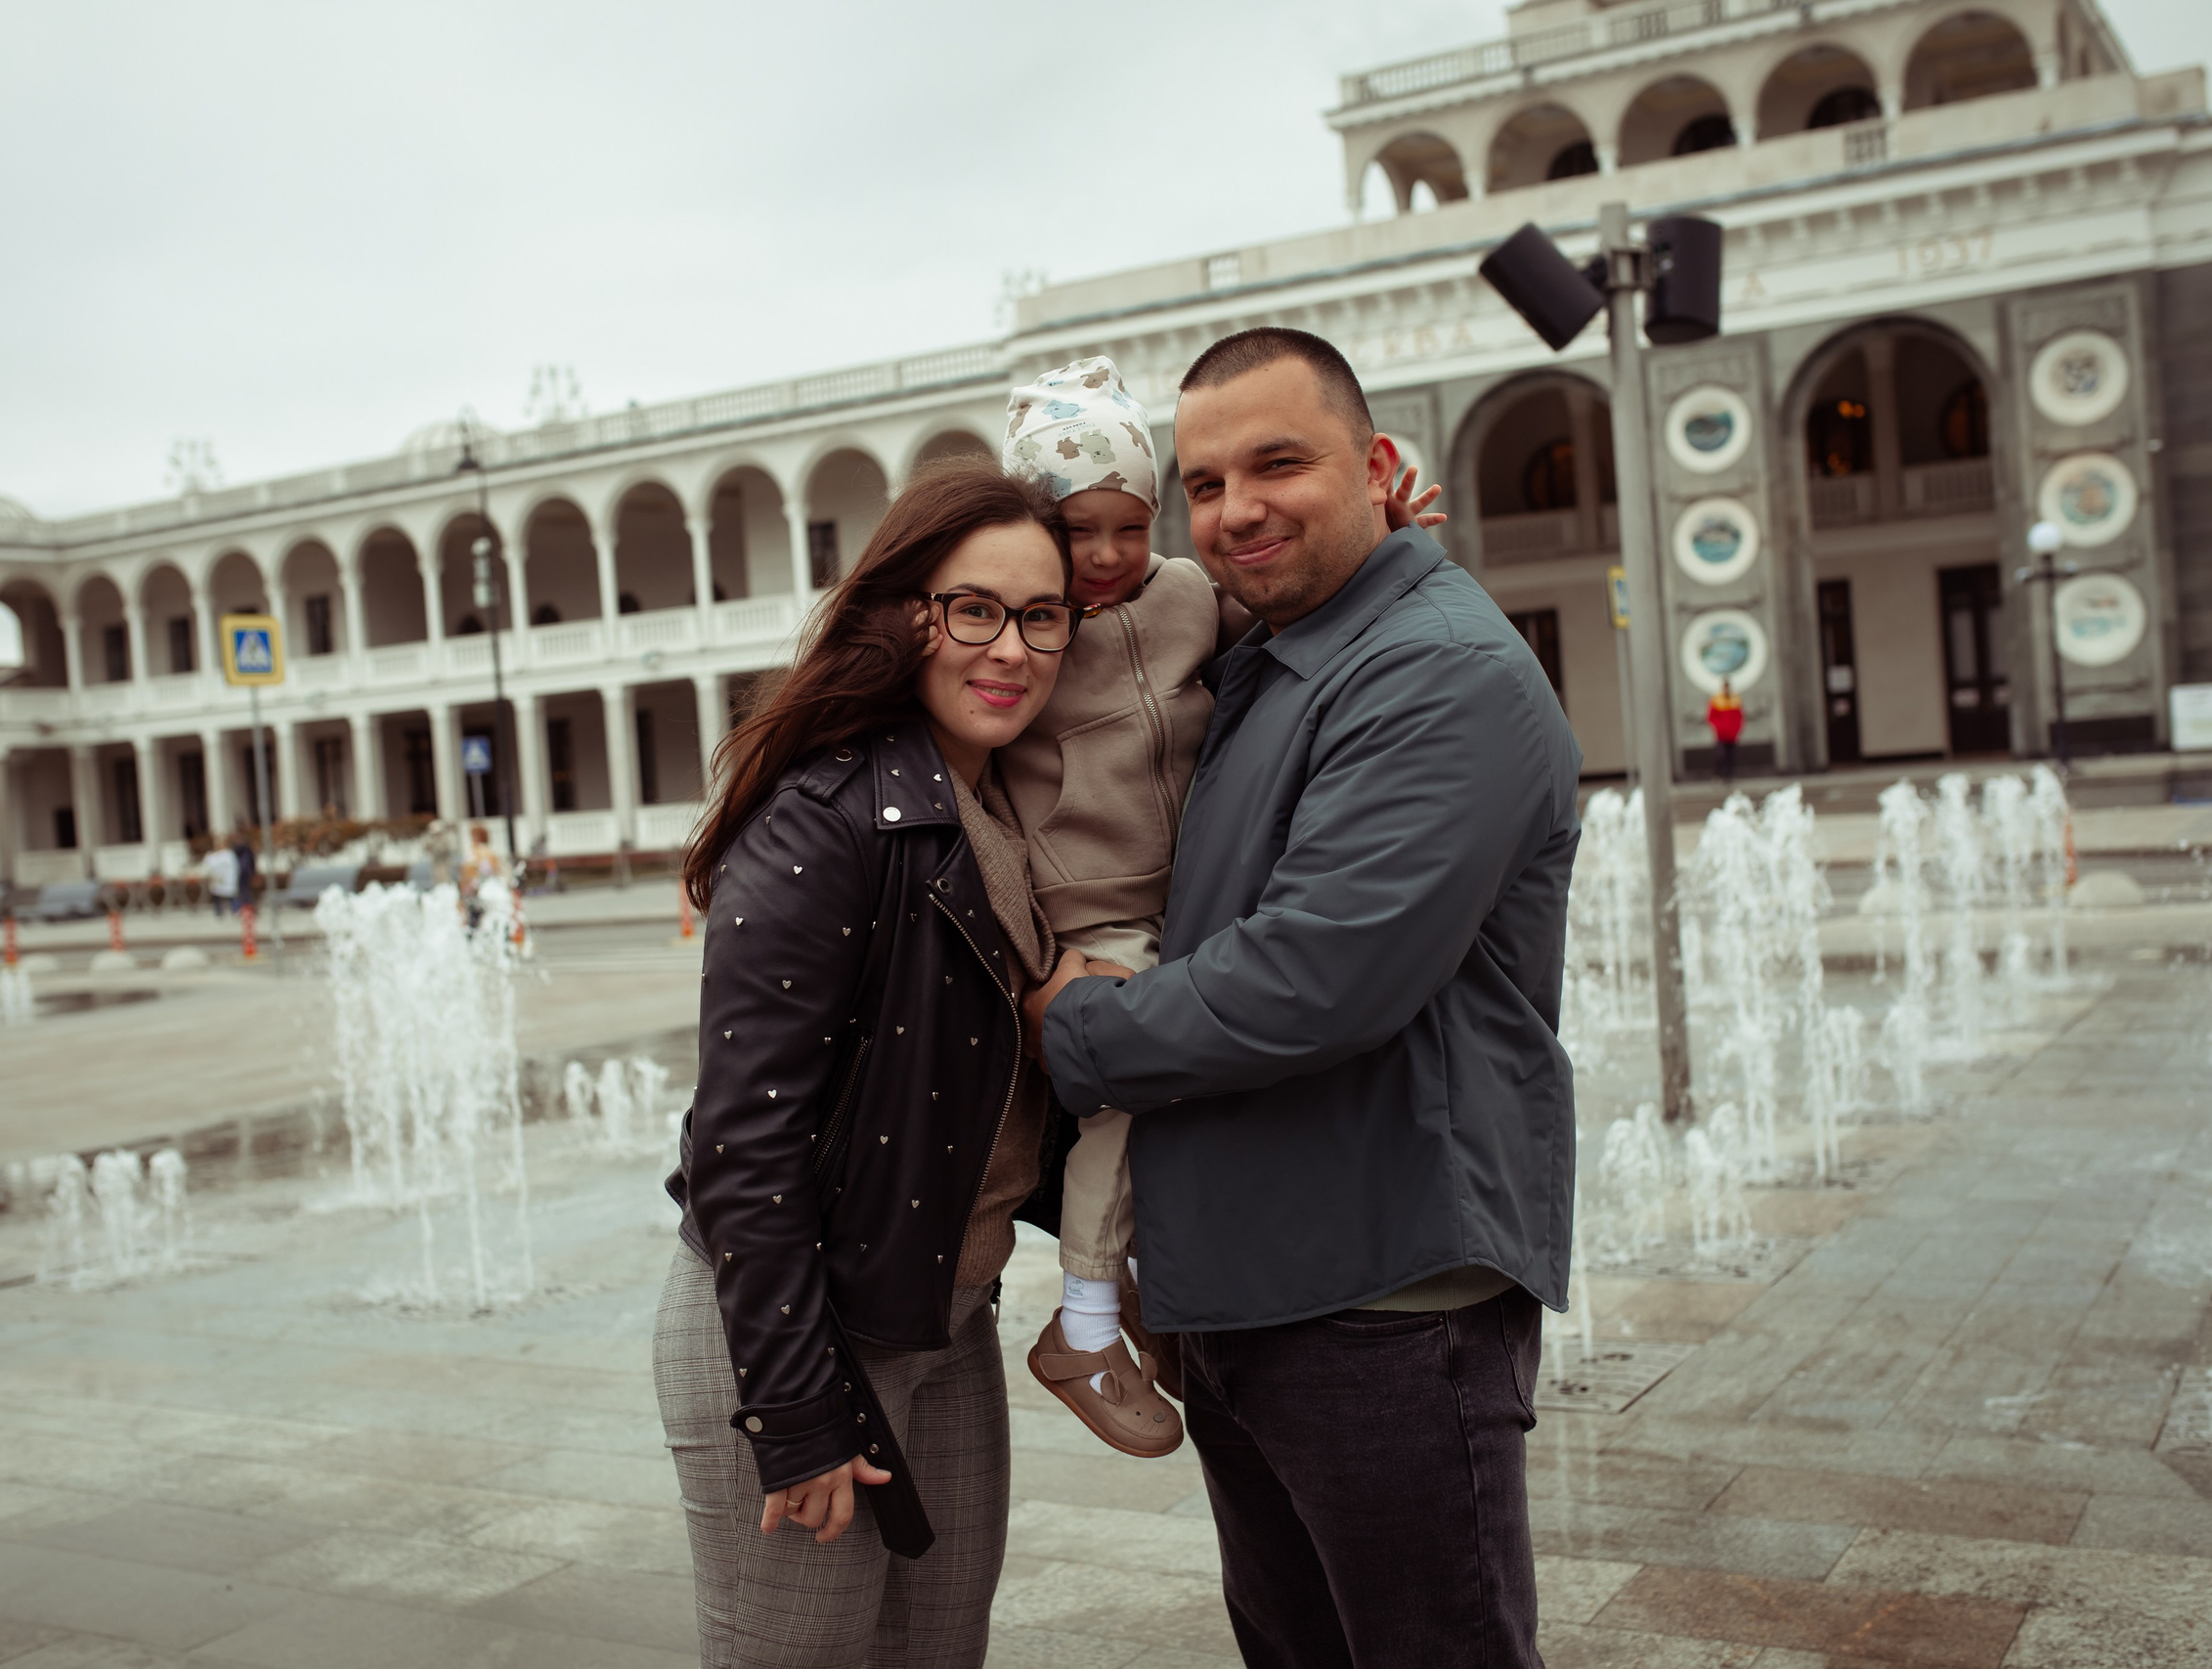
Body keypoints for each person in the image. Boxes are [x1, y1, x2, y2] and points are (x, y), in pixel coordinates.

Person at [1025, 327, 1582, 1668]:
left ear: (1382, 468)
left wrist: (1069, 1030)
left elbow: (1315, 979)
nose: (1236, 509)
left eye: (1280, 463)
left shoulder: (1435, 667)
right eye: (1205, 483)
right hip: (1257, 1290)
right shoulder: (1281, 650)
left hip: (1379, 1300)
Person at [655, 457, 1081, 1667]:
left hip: (944, 1320)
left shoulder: (991, 799)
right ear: (907, 615)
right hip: (795, 1336)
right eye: (974, 609)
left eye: (1039, 615)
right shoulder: (826, 815)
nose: (1010, 648)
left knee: (941, 1653)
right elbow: (743, 1140)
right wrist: (793, 1410)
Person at [1000, 355, 1441, 1458]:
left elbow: (1312, 617)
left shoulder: (1192, 596)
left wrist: (1393, 542)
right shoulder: (1030, 626)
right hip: (1084, 914)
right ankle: (1085, 1321)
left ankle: (1137, 1291)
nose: (1105, 556)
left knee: (1183, 1092)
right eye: (1075, 530)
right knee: (1123, 1104)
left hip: (1180, 898)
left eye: (1127, 524)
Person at [1708, 677, 1744, 783]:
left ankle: (1730, 775)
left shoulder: (1735, 699)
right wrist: (1719, 728)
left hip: (1732, 734)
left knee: (1731, 755)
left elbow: (1739, 716)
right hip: (1721, 734)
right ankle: (1719, 775)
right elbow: (1711, 717)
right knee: (1720, 755)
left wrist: (1737, 729)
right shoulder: (1717, 700)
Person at [201, 842, 239, 918]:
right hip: (217, 881)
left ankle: (235, 910)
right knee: (217, 896)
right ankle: (219, 912)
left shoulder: (228, 855)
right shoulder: (212, 856)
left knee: (231, 895)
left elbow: (234, 867)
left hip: (228, 880)